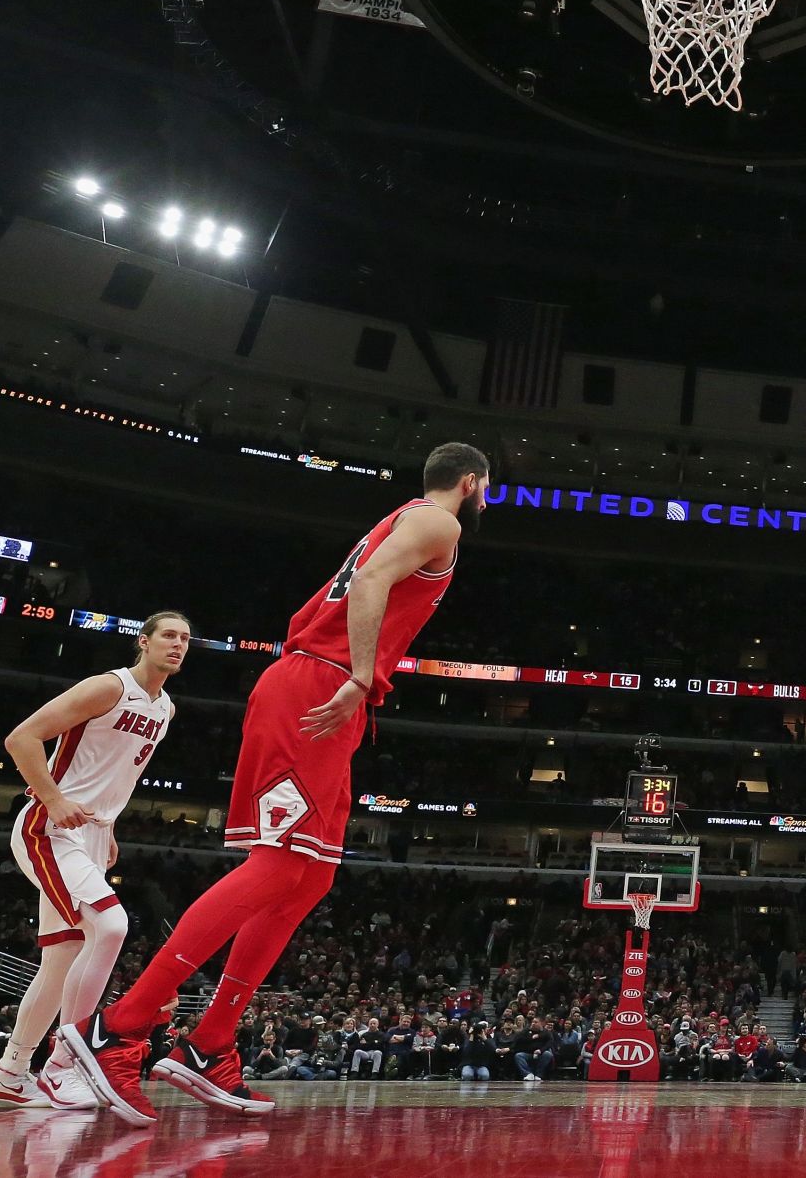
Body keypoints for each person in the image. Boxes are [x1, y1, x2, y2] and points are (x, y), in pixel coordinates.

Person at [61, 443, 489, 1127]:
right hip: (317, 685)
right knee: (278, 866)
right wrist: (354, 674)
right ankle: (119, 1027)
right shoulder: (441, 523)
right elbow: (374, 580)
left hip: (316, 685)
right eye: (484, 488)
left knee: (309, 878)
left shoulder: (399, 518)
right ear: (470, 482)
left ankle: (209, 1041)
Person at [0, 613, 192, 1109]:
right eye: (168, 635)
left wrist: (110, 826)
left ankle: (10, 1072)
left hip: (91, 835)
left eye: (185, 639)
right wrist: (53, 798)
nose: (178, 644)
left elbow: (114, 774)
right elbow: (22, 738)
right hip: (49, 828)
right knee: (112, 926)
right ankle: (66, 1063)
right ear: (143, 642)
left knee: (61, 961)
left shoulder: (165, 709)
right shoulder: (107, 687)